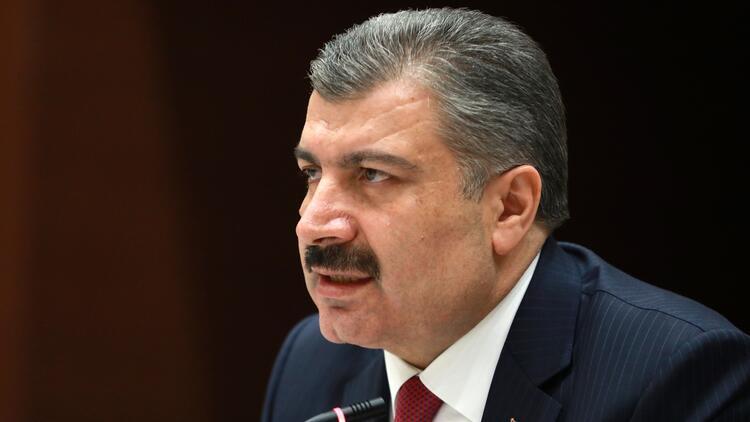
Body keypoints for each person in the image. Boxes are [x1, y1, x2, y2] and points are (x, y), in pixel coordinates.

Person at [262, 8, 749, 422]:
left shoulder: (679, 376)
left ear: (509, 207)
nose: (313, 223)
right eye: (311, 173)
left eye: (373, 174)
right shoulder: (311, 363)